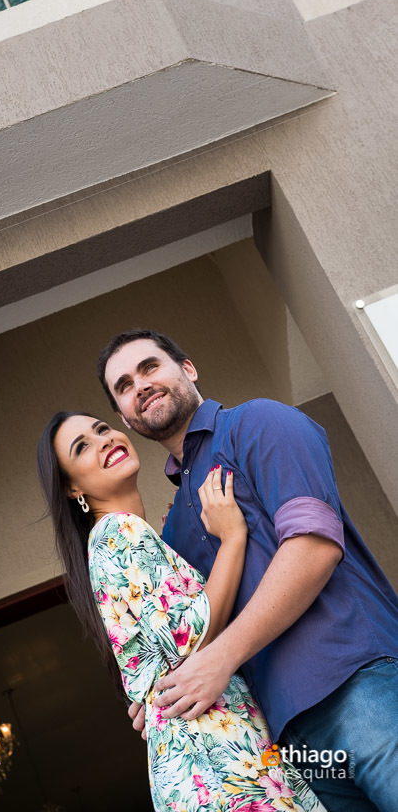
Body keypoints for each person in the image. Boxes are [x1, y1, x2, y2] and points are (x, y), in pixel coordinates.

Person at [97, 328, 398, 811]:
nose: (141, 385)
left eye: (150, 367)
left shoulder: (258, 422)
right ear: (126, 417)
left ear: (188, 369)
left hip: (355, 682)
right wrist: (159, 696)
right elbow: (195, 636)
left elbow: (314, 547)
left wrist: (219, 660)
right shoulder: (172, 528)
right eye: (125, 386)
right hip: (288, 746)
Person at [38, 411, 325, 810]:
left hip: (203, 760)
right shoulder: (119, 531)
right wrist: (232, 537)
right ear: (72, 489)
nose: (103, 439)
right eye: (83, 446)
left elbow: (157, 662)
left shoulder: (124, 539)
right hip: (217, 760)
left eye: (102, 428)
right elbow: (187, 637)